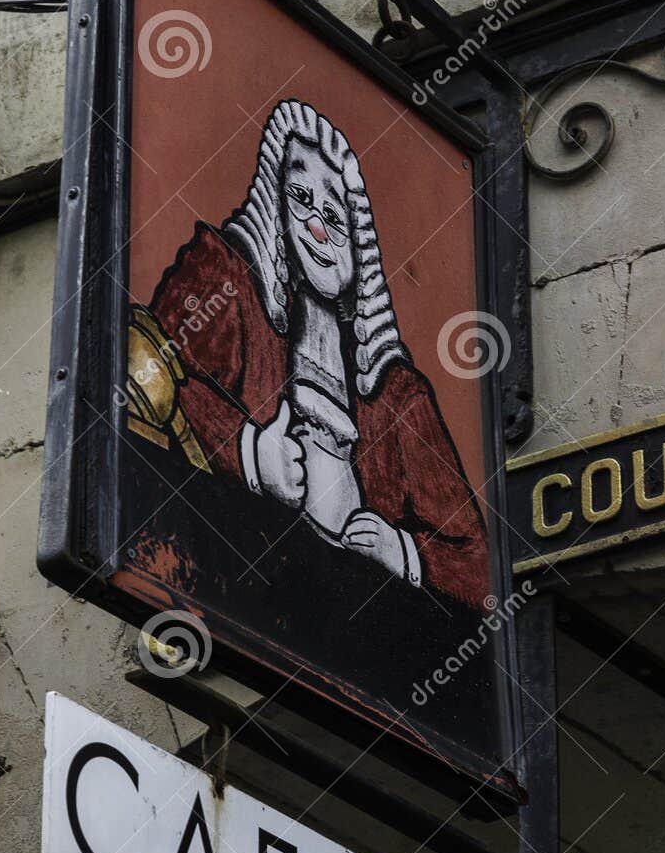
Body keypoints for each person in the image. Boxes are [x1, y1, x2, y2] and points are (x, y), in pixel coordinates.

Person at [140, 98, 490, 610]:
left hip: (359, 631)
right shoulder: (226, 284)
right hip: (236, 591)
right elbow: (145, 369)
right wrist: (251, 453)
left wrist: (404, 552)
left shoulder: (396, 395)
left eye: (334, 215)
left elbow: (480, 565)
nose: (319, 230)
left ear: (361, 249)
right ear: (274, 209)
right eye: (301, 200)